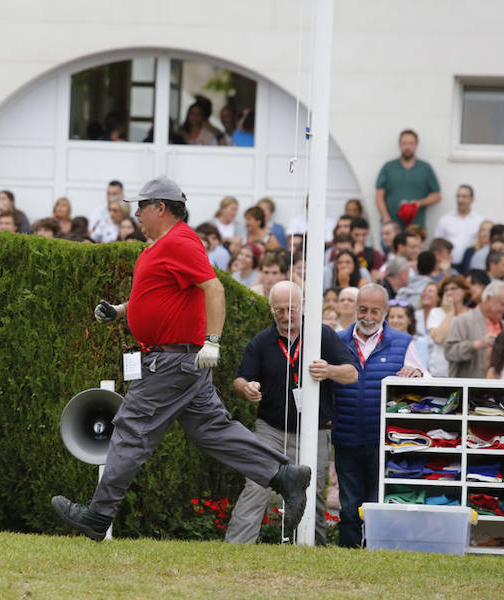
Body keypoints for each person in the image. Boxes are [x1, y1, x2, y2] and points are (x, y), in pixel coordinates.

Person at [51, 175, 310, 542]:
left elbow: (213, 288)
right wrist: (120, 311)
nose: (136, 214)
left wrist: (213, 342)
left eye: (141, 207)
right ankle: (284, 475)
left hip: (172, 361)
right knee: (211, 430)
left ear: (161, 208)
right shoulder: (163, 246)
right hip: (180, 361)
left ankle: (98, 515)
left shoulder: (180, 240)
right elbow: (160, 298)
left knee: (129, 429)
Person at [225, 281, 357, 545]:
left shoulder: (323, 335)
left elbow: (351, 374)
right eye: (279, 311)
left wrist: (329, 370)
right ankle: (236, 547)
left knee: (314, 494)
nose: (286, 316)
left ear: (302, 305)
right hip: (270, 430)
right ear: (271, 310)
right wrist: (247, 388)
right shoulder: (262, 342)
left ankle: (314, 550)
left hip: (315, 431)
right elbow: (239, 381)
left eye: (292, 309)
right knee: (255, 486)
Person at [333, 283, 427, 548]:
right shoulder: (337, 341)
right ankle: (348, 555)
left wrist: (416, 374)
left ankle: (378, 552)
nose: (368, 317)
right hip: (346, 437)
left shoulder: (403, 342)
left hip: (384, 441)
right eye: (363, 309)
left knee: (378, 503)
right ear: (354, 309)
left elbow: (426, 378)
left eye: (375, 311)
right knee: (349, 506)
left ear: (385, 311)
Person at [444, 280, 504, 378]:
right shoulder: (463, 321)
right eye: (502, 304)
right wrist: (477, 345)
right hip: (467, 389)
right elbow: (449, 352)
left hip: (497, 388)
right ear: (489, 299)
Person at [375, 129, 441, 228]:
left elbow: (437, 195)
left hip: (416, 227)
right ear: (399, 145)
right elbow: (379, 197)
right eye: (404, 143)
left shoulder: (425, 168)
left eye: (411, 143)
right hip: (393, 225)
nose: (407, 147)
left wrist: (419, 203)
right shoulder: (388, 167)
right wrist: (386, 219)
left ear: (416, 145)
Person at [433, 185, 484, 267]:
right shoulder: (445, 219)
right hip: (448, 265)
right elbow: (437, 242)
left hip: (470, 265)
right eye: (458, 196)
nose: (460, 200)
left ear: (472, 199)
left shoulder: (479, 221)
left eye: (464, 197)